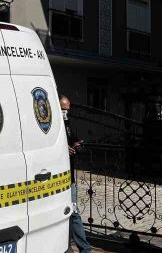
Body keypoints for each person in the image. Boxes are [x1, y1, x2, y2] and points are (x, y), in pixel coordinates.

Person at [60, 95, 92, 253]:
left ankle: (84, 249)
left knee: (73, 212)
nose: (65, 113)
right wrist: (62, 148)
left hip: (69, 178)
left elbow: (73, 139)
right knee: (66, 214)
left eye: (67, 110)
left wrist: (77, 145)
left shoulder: (67, 124)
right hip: (56, 179)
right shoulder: (51, 125)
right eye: (62, 109)